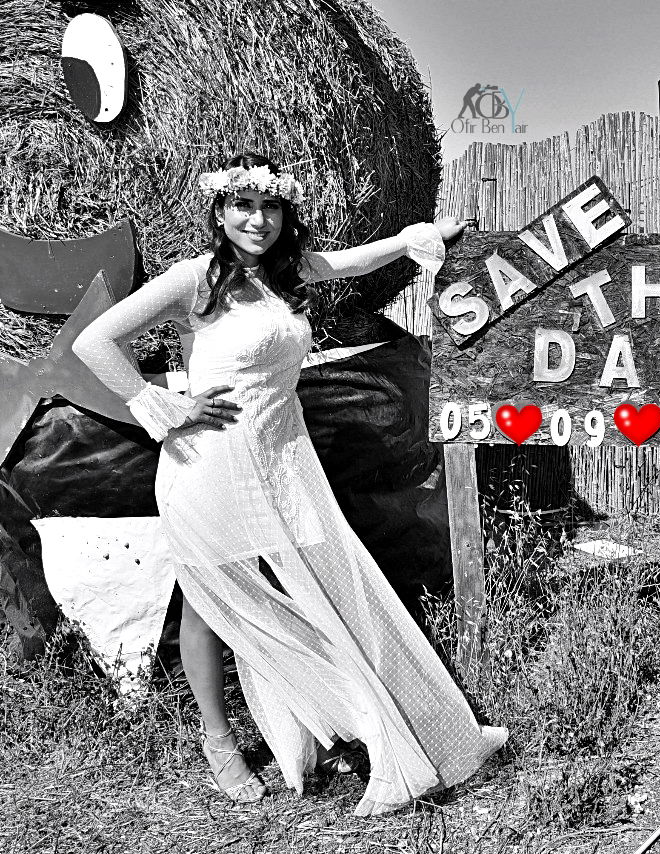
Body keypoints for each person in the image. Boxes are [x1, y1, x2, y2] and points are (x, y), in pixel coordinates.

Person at [73, 153, 507, 815]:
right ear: (220, 212)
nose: (258, 220)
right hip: (207, 465)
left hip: (281, 463)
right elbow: (95, 342)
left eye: (270, 206)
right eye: (243, 205)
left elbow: (358, 261)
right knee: (209, 602)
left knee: (320, 592)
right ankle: (220, 743)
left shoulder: (289, 274)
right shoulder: (195, 278)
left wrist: (423, 235)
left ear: (285, 214)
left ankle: (341, 721)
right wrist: (160, 404)